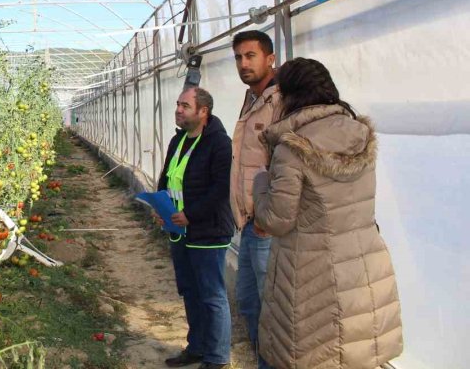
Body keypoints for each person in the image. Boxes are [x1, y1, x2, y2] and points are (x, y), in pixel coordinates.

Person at [253, 58, 403, 369]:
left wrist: (261, 183)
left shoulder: (291, 148)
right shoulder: (361, 135)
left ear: (288, 96)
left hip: (312, 275)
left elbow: (276, 220)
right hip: (365, 267)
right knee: (355, 354)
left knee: (311, 357)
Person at [159, 87, 234, 369]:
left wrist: (191, 214)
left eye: (185, 106)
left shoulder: (219, 143)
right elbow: (167, 178)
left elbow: (220, 189)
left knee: (212, 294)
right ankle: (198, 347)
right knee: (189, 290)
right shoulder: (178, 141)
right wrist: (160, 206)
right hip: (179, 229)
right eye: (178, 104)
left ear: (203, 111)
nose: (178, 109)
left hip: (208, 231)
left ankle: (217, 358)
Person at [229, 30, 281, 369]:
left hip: (267, 226)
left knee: (270, 308)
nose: (243, 63)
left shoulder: (282, 101)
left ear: (270, 58)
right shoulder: (251, 99)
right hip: (249, 223)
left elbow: (286, 165)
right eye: (238, 57)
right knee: (248, 301)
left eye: (251, 56)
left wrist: (267, 219)